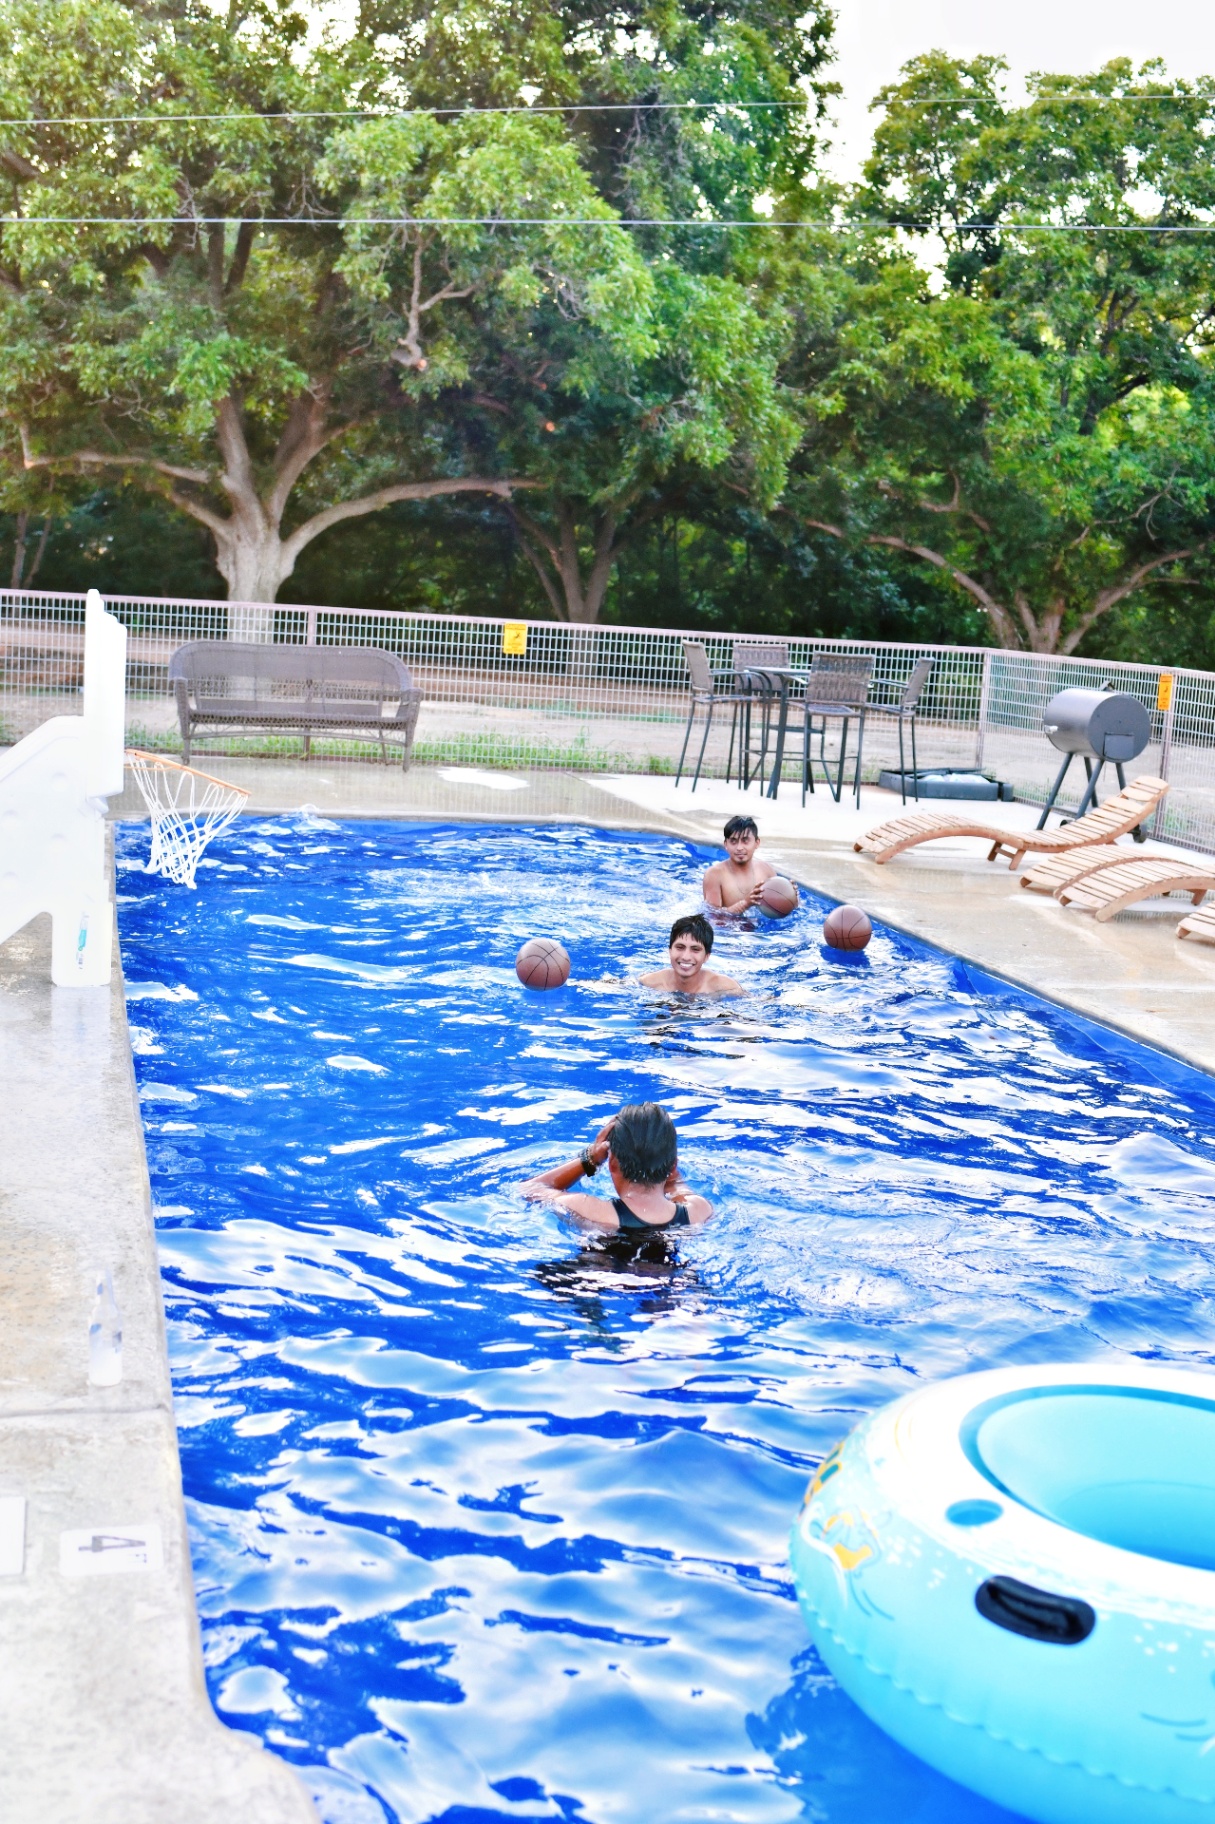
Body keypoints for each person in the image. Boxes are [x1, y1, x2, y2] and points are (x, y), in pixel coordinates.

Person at [520, 1102, 713, 1234]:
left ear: (612, 1164)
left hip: (605, 1280)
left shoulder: (593, 1211)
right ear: (673, 1165)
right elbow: (676, 1183)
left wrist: (590, 1158)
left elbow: (528, 1189)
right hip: (672, 1287)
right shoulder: (698, 1211)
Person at [640, 913, 742, 997]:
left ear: (706, 956)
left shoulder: (726, 987)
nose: (686, 957)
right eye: (680, 947)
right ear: (670, 950)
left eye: (695, 949)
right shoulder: (650, 983)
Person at [702, 815, 777, 913]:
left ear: (757, 843)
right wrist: (745, 904)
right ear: (726, 844)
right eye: (733, 841)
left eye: (745, 841)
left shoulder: (766, 870)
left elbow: (781, 907)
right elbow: (713, 918)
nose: (739, 847)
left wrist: (792, 898)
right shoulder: (714, 874)